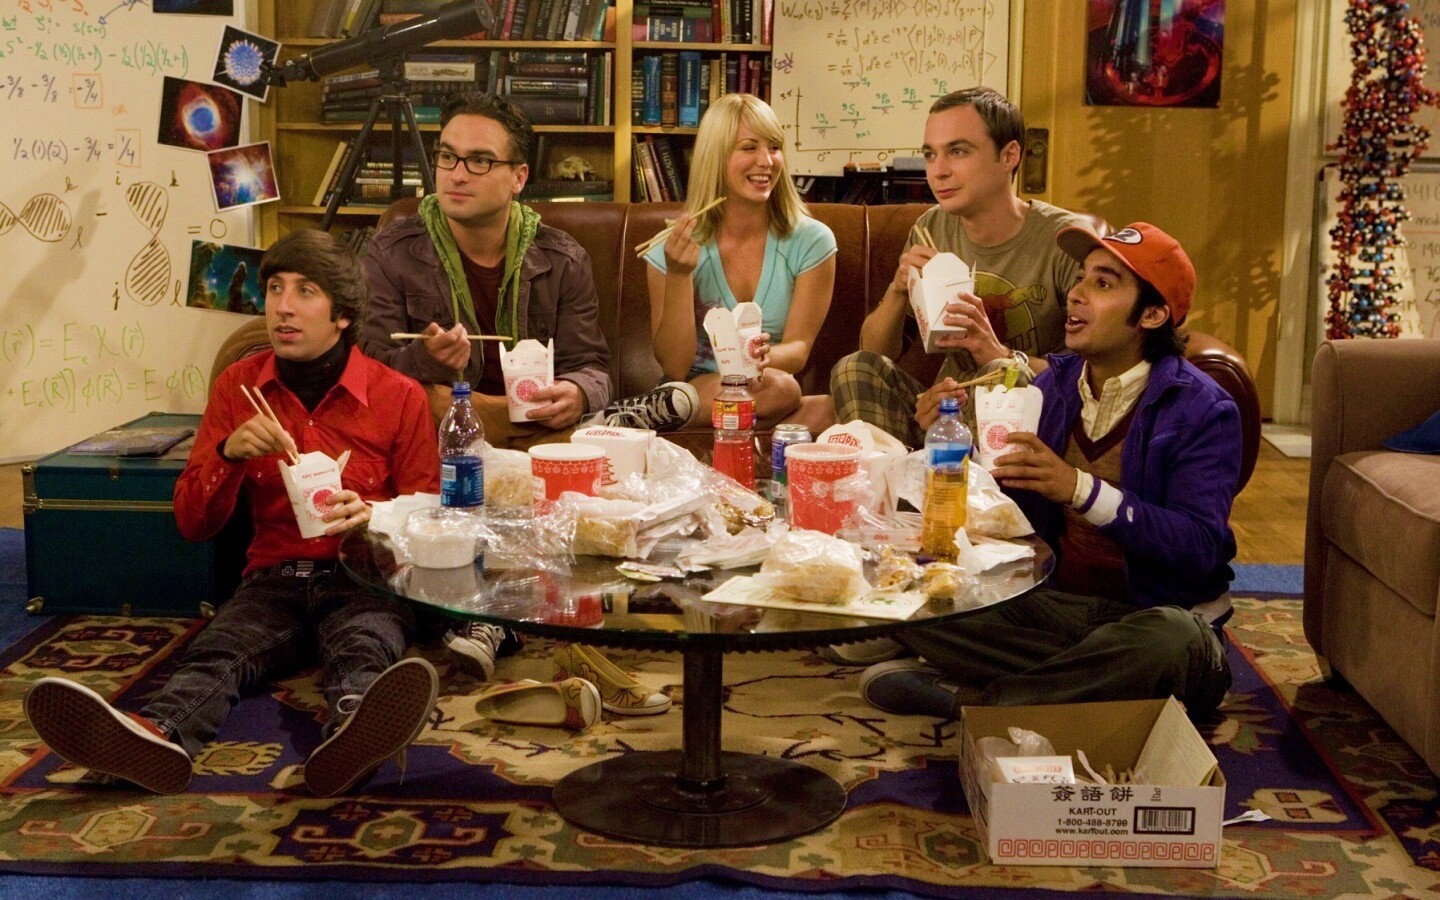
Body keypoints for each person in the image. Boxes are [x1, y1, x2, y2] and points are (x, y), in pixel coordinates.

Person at [25, 230, 443, 797]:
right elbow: (191, 523)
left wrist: (374, 513)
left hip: (364, 575)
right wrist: (227, 455)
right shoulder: (238, 387)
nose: (283, 307)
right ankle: (154, 738)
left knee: (365, 647)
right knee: (216, 654)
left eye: (305, 291)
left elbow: (430, 516)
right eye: (274, 289)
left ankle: (353, 737)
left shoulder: (399, 395)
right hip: (273, 578)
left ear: (342, 315)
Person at [858, 223, 1238, 721]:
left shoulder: (1204, 409)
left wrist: (1080, 490)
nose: (1076, 294)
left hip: (1154, 617)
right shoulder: (1053, 386)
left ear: (1152, 314)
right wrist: (953, 450)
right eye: (1081, 278)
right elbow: (1010, 515)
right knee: (915, 589)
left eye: (1103, 283)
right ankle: (1081, 686)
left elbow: (1198, 546)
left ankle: (973, 702)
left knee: (1172, 644)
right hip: (1057, 608)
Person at [830, 87, 1093, 450]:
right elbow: (876, 351)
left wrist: (1000, 356)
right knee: (854, 368)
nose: (938, 171)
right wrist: (897, 290)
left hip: (1031, 413)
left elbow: (1095, 377)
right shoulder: (931, 228)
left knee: (1000, 375)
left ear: (1009, 155)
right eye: (930, 155)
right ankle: (898, 478)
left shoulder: (1065, 239)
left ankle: (953, 481)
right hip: (948, 409)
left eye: (957, 151)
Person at [361, 92, 611, 446]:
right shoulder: (390, 253)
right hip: (441, 438)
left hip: (538, 432)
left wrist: (578, 393)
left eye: (479, 161)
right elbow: (369, 371)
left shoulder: (564, 260)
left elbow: (591, 367)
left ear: (518, 178)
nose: (457, 175)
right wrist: (425, 359)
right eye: (448, 157)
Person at [623, 92, 837, 430]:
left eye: (774, 147)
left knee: (807, 397)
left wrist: (766, 357)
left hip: (764, 385)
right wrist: (679, 274)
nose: (766, 161)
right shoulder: (671, 247)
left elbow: (798, 349)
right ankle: (709, 415)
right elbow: (675, 366)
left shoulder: (812, 240)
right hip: (699, 388)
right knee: (785, 394)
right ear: (716, 157)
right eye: (749, 148)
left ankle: (656, 418)